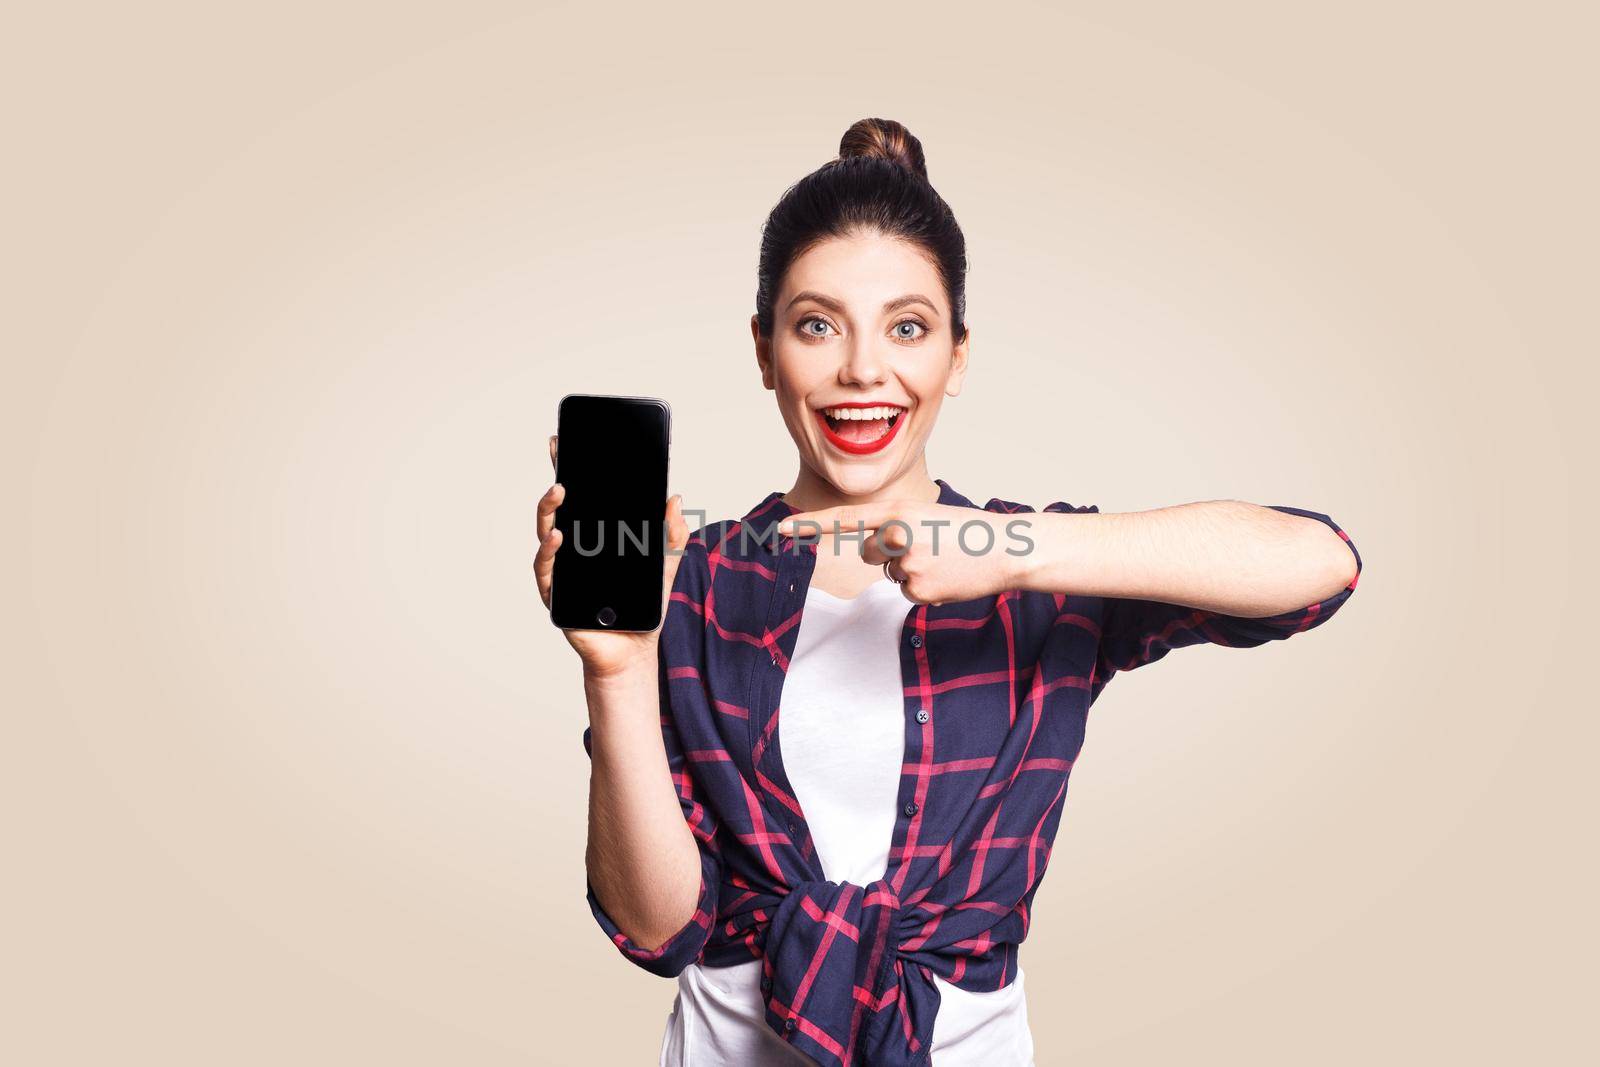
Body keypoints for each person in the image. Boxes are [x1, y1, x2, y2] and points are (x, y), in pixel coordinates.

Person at [532, 117, 1363, 1067]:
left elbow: (1318, 566)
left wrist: (1007, 548)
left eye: (908, 327)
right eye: (816, 325)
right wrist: (621, 667)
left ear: (957, 356)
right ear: (765, 353)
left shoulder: (1037, 575)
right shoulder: (701, 577)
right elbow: (659, 929)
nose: (862, 370)